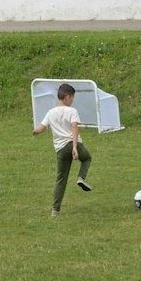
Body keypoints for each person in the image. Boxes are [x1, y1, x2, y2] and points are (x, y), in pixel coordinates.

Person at [33, 82, 92, 216]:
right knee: (87, 158)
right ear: (67, 97)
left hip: (60, 149)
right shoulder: (72, 111)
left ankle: (55, 210)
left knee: (61, 179)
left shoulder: (50, 112)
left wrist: (34, 132)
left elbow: (40, 129)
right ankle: (81, 178)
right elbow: (74, 128)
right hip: (71, 144)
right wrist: (75, 147)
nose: (73, 100)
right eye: (72, 98)